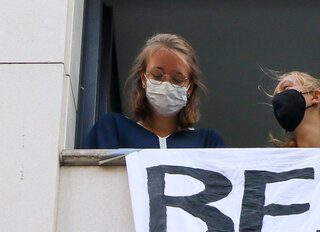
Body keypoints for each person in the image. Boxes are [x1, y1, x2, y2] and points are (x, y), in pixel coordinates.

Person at [84, 33, 225, 149]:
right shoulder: (113, 129)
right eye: (157, 76)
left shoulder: (207, 143)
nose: (166, 84)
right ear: (144, 78)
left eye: (177, 79)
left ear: (190, 88)